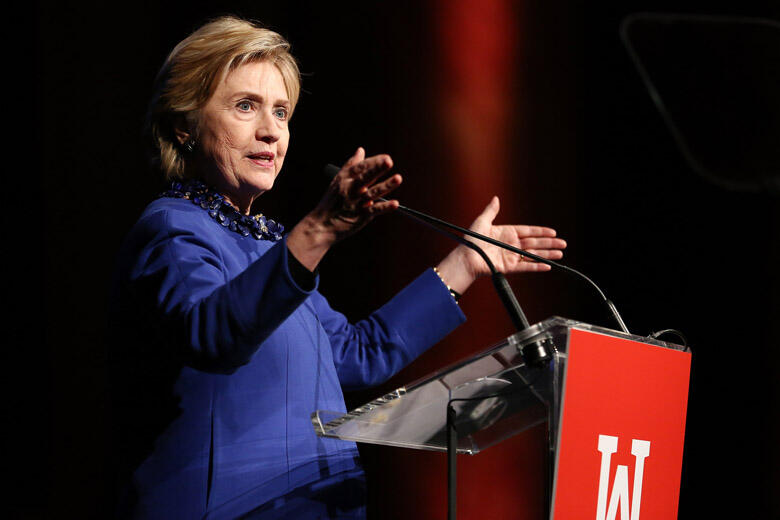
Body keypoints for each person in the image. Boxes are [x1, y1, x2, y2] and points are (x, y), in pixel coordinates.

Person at [109, 15, 567, 519]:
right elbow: (213, 334)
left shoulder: (268, 246)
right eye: (246, 106)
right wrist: (320, 230)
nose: (270, 131)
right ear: (184, 124)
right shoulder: (172, 230)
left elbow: (356, 355)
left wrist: (464, 263)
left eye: (281, 113)